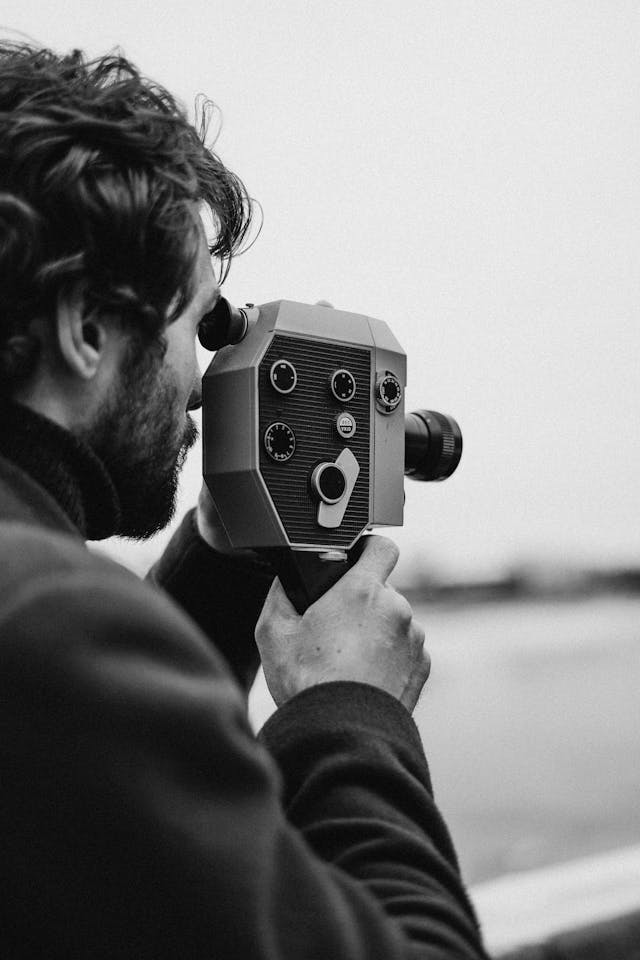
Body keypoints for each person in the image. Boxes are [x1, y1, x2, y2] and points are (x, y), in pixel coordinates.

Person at [0, 41, 488, 958]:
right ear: (84, 325)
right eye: (197, 324)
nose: (202, 382)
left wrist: (225, 555)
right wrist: (350, 711)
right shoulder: (50, 621)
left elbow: (115, 793)